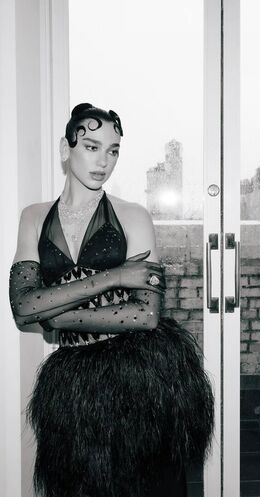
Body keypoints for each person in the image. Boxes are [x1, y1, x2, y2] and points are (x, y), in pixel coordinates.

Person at [9, 103, 214, 497]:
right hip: (72, 385)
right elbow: (23, 306)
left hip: (140, 377)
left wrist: (55, 314)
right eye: (92, 147)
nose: (104, 161)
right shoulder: (33, 217)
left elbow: (145, 314)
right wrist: (116, 276)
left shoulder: (134, 216)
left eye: (113, 150)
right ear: (65, 148)